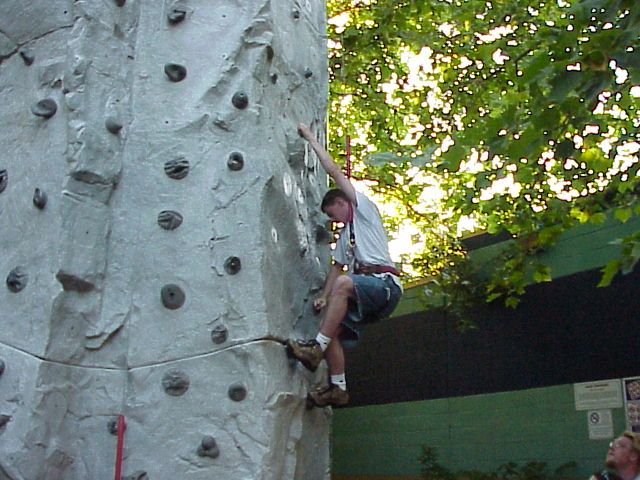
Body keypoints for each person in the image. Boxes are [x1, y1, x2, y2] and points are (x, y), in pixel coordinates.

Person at [286, 123, 403, 408]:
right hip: (365, 289)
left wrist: (310, 138)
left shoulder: (364, 211)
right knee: (332, 329)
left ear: (342, 202)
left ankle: (316, 348)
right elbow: (337, 267)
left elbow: (334, 172)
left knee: (343, 288)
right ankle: (338, 388)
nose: (333, 220)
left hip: (384, 286)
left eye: (333, 213)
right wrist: (324, 296)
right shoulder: (345, 238)